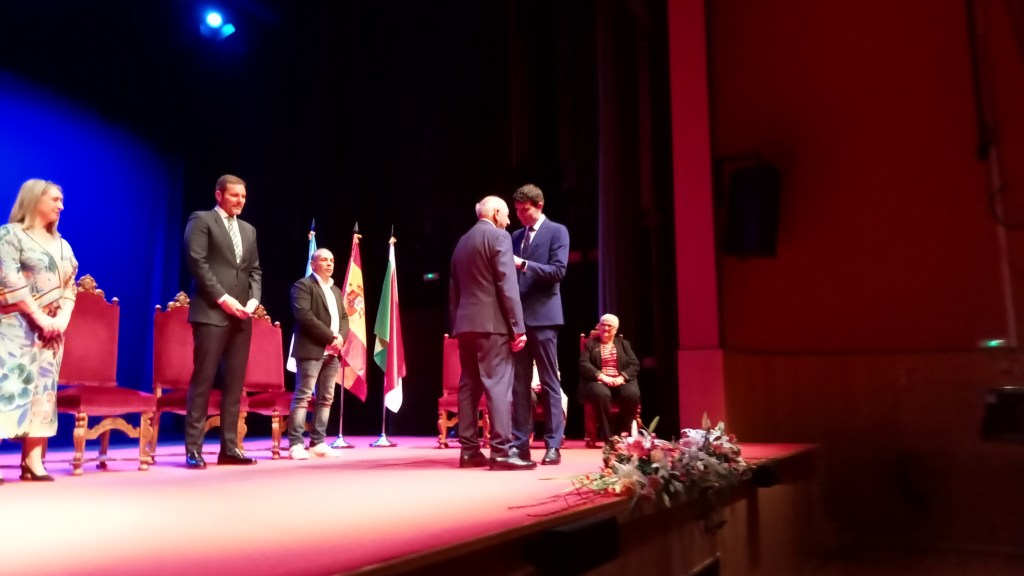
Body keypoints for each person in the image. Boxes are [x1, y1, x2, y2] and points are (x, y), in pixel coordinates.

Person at [0, 179, 78, 483]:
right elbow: (10, 278)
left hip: (51, 333)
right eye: (55, 200)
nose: (61, 206)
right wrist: (38, 316)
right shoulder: (10, 235)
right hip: (15, 327)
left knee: (44, 392)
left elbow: (70, 287)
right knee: (8, 387)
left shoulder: (63, 245)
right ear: (35, 200)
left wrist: (62, 320)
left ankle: (32, 461)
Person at [182, 174, 262, 469]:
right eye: (234, 195)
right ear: (219, 194)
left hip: (242, 316)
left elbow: (254, 270)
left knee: (234, 384)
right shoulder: (201, 220)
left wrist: (253, 300)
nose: (240, 200)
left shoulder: (248, 230)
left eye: (243, 196)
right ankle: (193, 449)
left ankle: (230, 448)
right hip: (212, 313)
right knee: (203, 380)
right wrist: (223, 298)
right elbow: (197, 262)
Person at [450, 195, 535, 470]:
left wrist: (457, 324)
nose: (509, 221)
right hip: (492, 326)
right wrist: (518, 328)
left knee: (469, 385)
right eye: (507, 214)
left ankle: (469, 451)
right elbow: (507, 284)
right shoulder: (499, 237)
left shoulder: (462, 242)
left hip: (465, 325)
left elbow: (454, 289)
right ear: (496, 212)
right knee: (498, 386)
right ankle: (500, 451)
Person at [509, 184, 569, 465]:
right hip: (518, 321)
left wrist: (522, 264)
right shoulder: (515, 236)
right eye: (517, 210)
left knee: (548, 382)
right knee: (519, 385)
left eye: (525, 210)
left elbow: (558, 271)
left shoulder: (557, 231)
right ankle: (520, 444)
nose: (520, 215)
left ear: (539, 206)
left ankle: (553, 444)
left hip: (544, 318)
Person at [287, 248, 349, 460]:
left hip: (332, 352)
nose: (329, 263)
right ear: (313, 264)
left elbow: (344, 317)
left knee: (326, 398)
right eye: (324, 260)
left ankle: (318, 442)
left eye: (332, 260)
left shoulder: (336, 290)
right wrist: (331, 337)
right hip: (311, 349)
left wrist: (341, 337)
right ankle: (296, 444)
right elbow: (304, 316)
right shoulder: (303, 286)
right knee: (303, 396)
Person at [578, 314, 641, 441]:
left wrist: (621, 378)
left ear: (615, 329)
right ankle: (608, 436)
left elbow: (635, 364)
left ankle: (620, 433)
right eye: (603, 325)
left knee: (632, 394)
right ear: (599, 327)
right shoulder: (591, 344)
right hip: (599, 381)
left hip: (620, 380)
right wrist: (601, 376)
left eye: (609, 326)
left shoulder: (624, 344)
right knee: (600, 393)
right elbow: (583, 363)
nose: (605, 328)